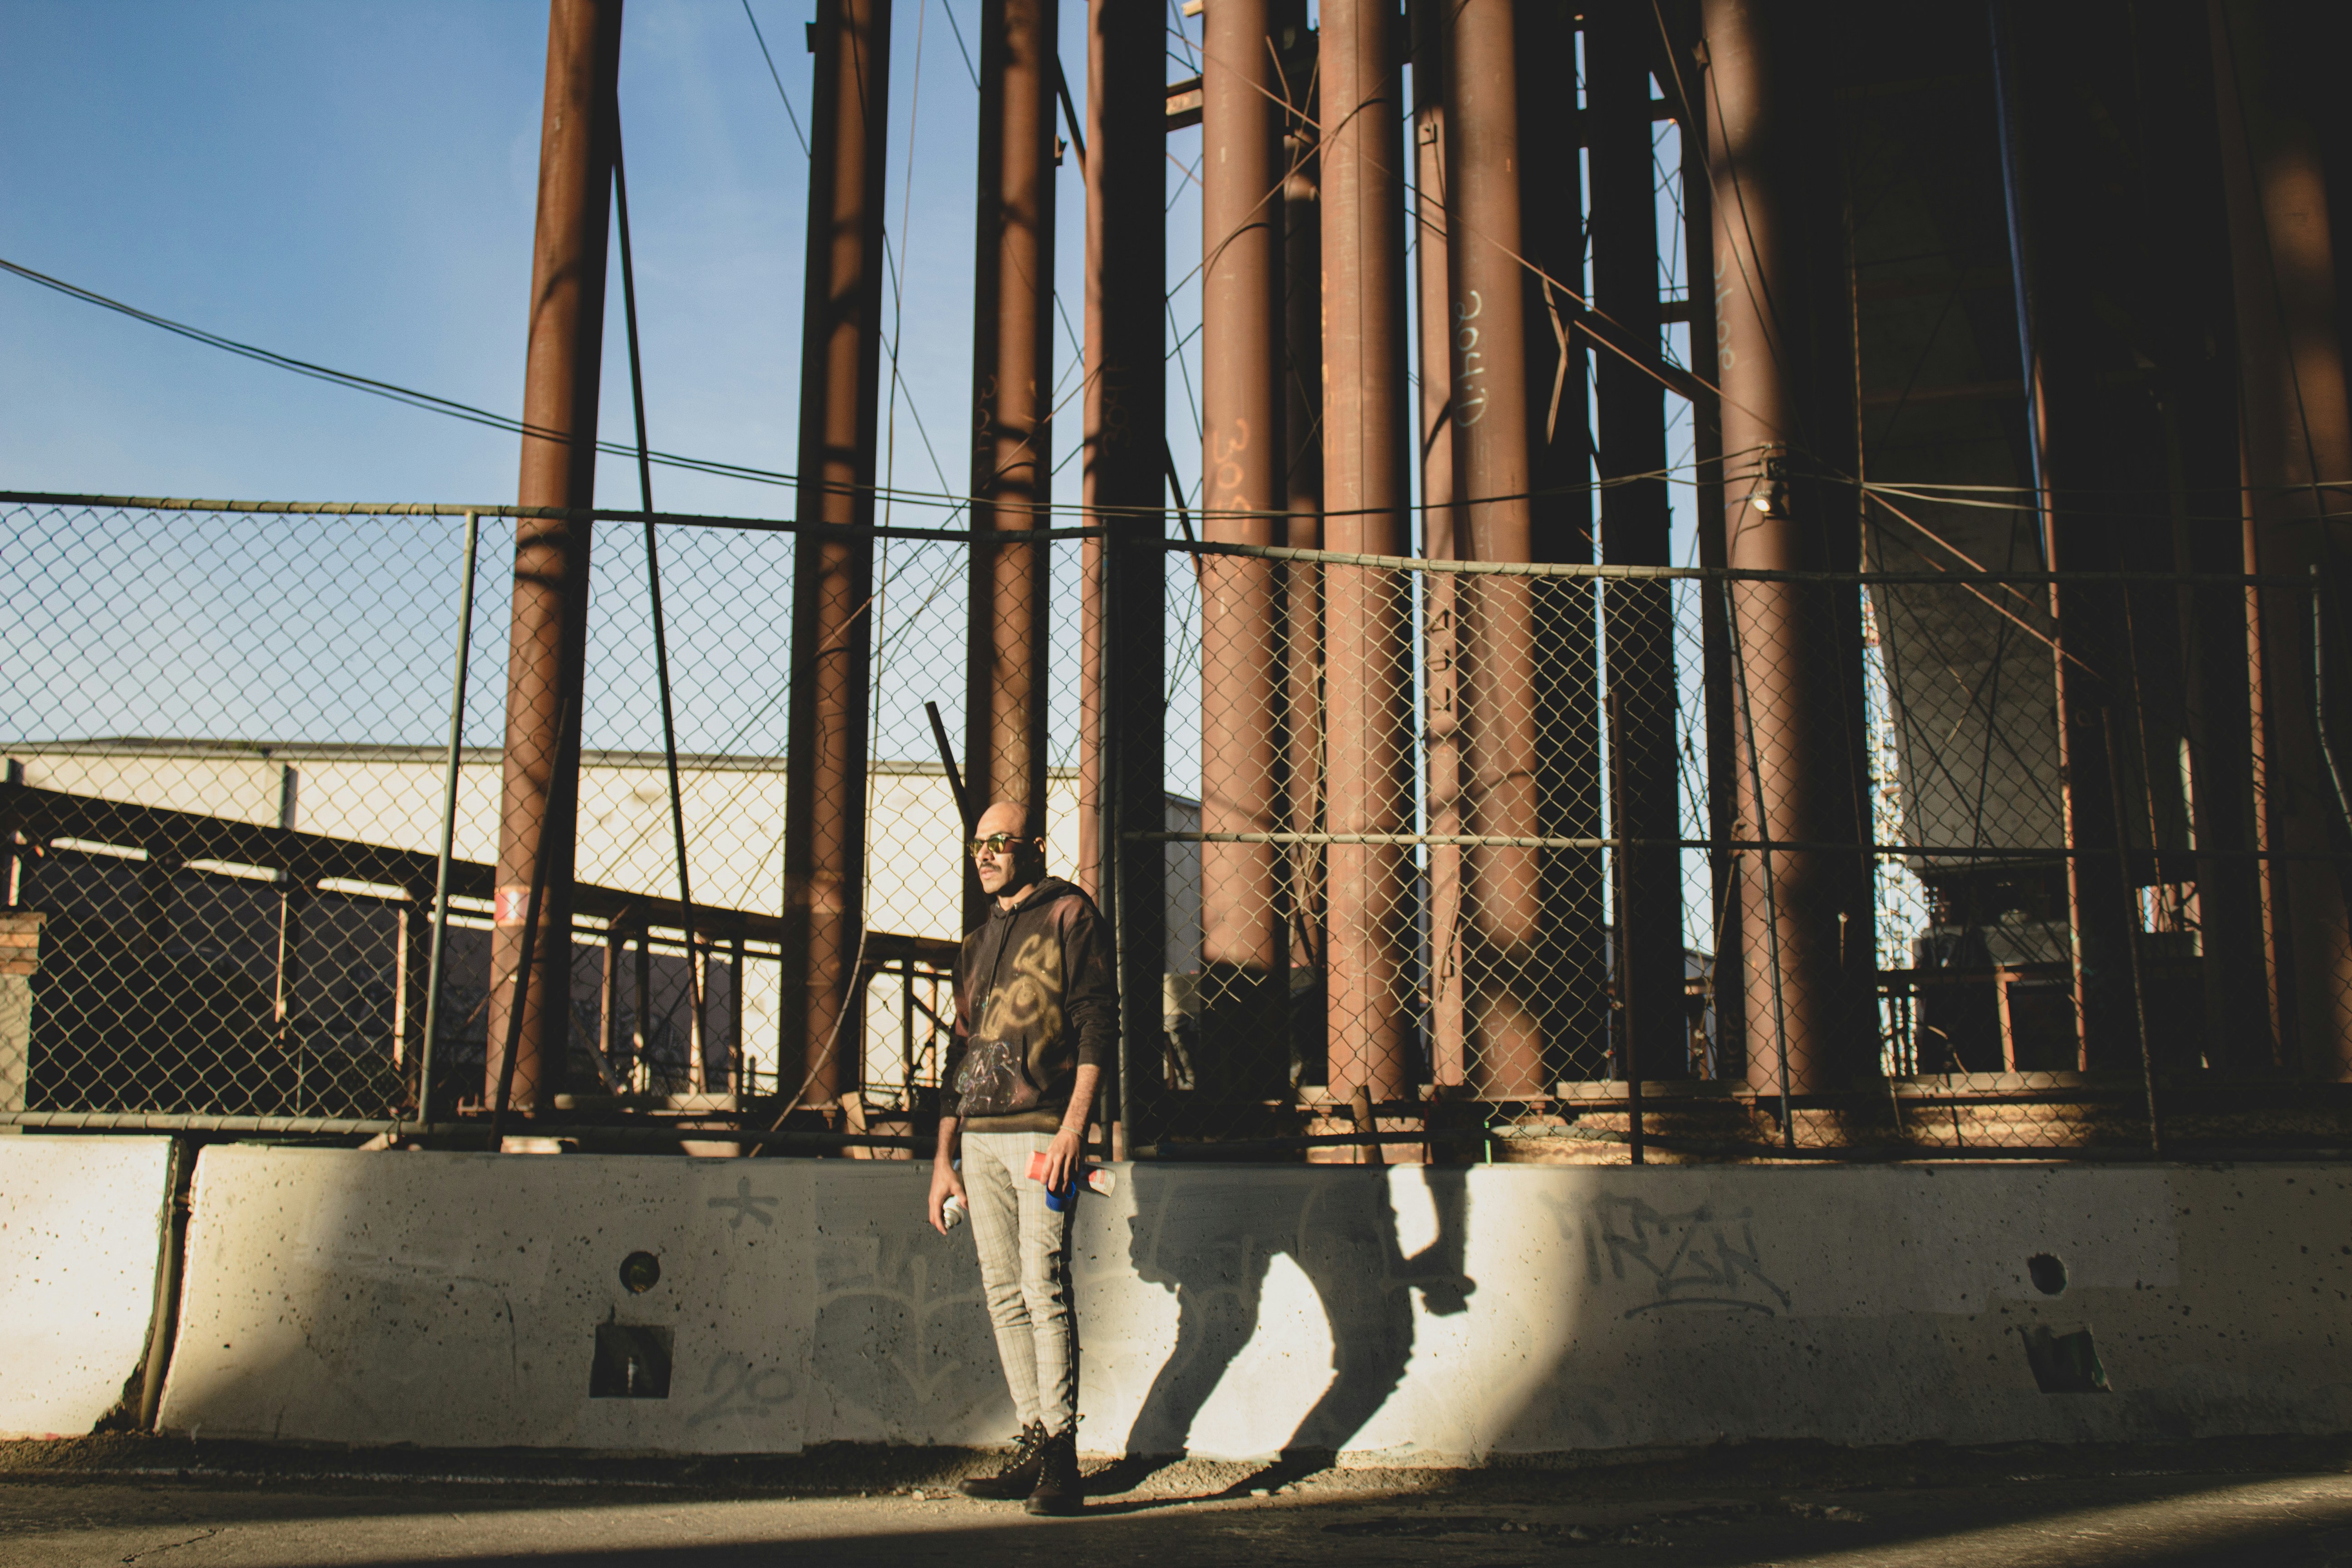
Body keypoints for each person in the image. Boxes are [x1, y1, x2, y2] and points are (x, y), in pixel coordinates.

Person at [927, 799, 1116, 1515]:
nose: (985, 854)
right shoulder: (976, 943)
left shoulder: (1071, 914)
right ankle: (1034, 1440)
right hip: (979, 1139)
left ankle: (1061, 1454)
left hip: (1043, 1134)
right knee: (1003, 1291)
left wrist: (1074, 1129)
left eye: (999, 842)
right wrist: (942, 1158)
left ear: (1033, 846)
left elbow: (1098, 1022)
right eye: (978, 844)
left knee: (1044, 1283)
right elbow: (961, 1052)